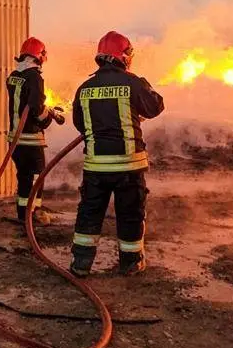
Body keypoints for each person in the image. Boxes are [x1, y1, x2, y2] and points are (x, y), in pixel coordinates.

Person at [69, 31, 165, 277]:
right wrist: (142, 83)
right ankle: (131, 263)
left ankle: (81, 264)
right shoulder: (132, 83)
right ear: (123, 56)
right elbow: (155, 106)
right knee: (130, 214)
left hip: (96, 168)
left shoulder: (85, 88)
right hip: (128, 167)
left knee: (89, 213)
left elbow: (80, 124)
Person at [6, 37, 64, 225]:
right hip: (30, 139)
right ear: (39, 56)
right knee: (36, 178)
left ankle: (23, 214)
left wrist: (48, 109)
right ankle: (34, 214)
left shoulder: (14, 76)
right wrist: (48, 119)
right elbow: (36, 110)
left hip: (15, 140)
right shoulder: (35, 77)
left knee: (24, 177)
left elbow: (26, 102)